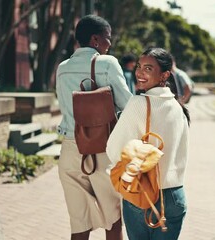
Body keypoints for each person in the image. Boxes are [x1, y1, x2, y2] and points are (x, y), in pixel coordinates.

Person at [56, 14, 132, 240]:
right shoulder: (107, 63)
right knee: (114, 220)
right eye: (108, 38)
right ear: (95, 40)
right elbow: (127, 105)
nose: (110, 44)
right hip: (101, 149)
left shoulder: (62, 67)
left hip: (70, 149)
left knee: (79, 224)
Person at [106, 47, 190, 240]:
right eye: (139, 66)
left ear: (165, 75)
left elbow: (114, 149)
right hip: (175, 195)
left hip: (142, 192)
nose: (140, 73)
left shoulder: (139, 103)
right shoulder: (178, 107)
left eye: (148, 68)